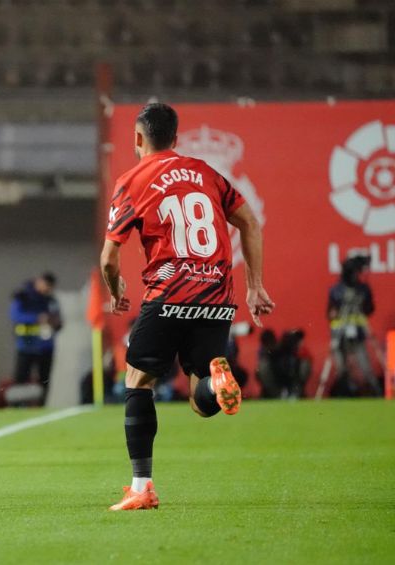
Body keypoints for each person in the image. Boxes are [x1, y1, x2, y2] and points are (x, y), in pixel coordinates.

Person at [99, 103, 274, 511]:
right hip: (216, 295)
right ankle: (216, 381)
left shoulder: (133, 180)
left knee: (138, 381)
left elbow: (109, 257)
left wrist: (115, 288)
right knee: (200, 399)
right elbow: (249, 221)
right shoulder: (206, 173)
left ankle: (142, 488)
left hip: (168, 293)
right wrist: (255, 287)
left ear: (138, 139)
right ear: (176, 140)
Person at [328, 255, 380, 396]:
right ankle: (345, 391)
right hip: (340, 333)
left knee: (365, 365)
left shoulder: (363, 289)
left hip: (358, 332)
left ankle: (375, 391)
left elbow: (369, 309)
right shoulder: (336, 290)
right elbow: (330, 313)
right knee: (341, 367)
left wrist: (362, 304)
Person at [9, 273, 62, 405]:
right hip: (26, 345)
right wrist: (37, 318)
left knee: (44, 379)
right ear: (39, 282)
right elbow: (16, 316)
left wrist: (55, 322)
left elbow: (59, 322)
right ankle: (17, 406)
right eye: (46, 285)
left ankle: (41, 406)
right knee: (21, 379)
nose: (47, 289)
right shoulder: (23, 297)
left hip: (46, 346)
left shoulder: (50, 301)